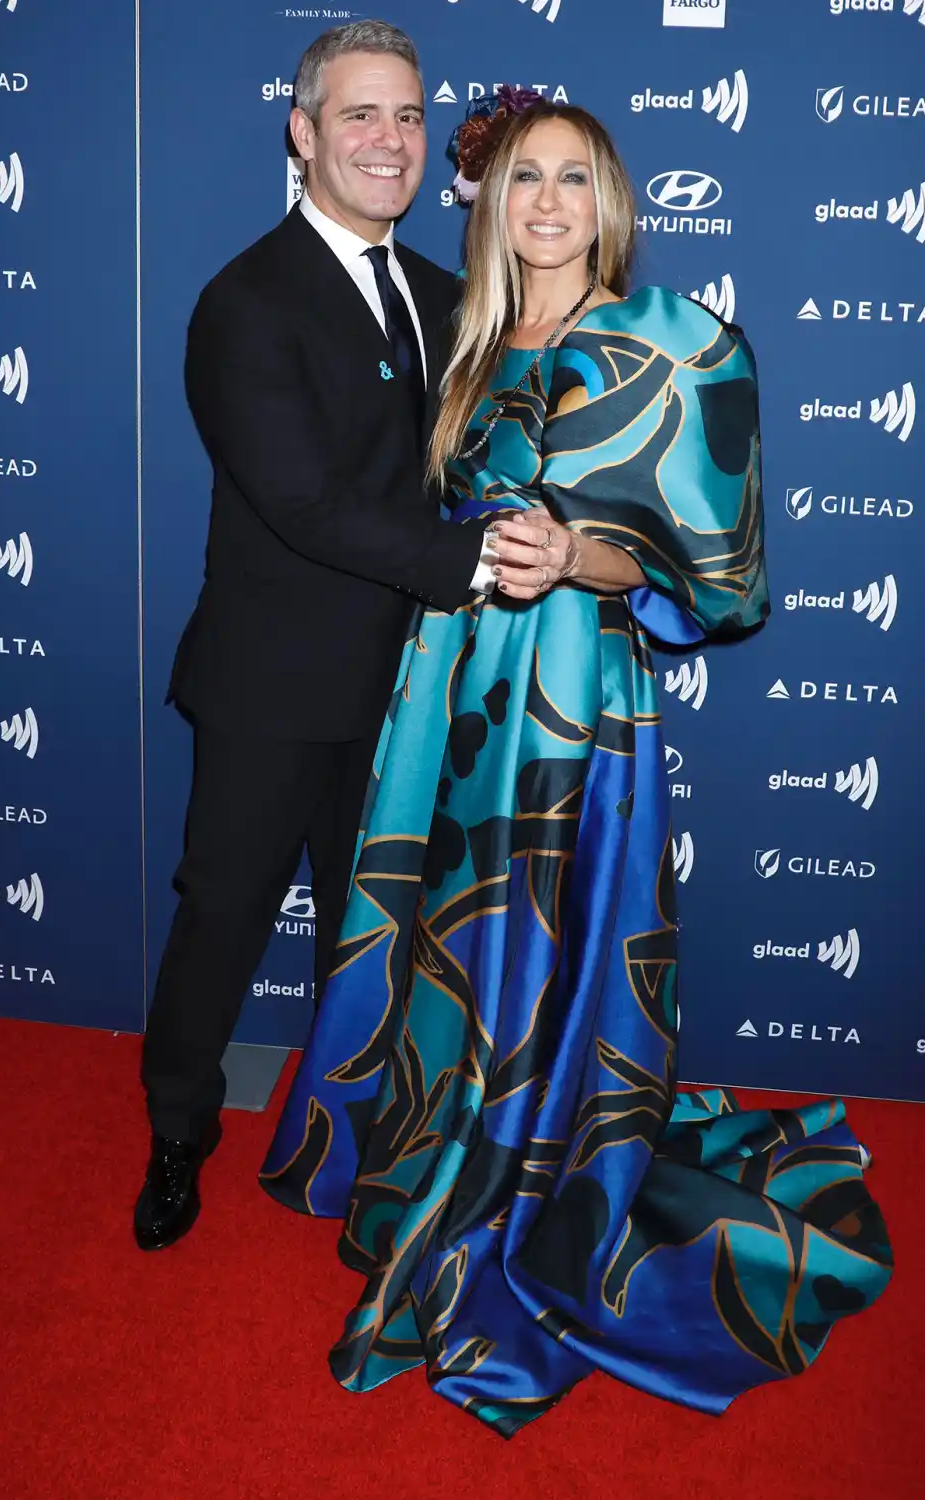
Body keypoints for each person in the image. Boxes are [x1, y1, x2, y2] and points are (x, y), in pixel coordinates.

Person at [260, 93, 893, 1435]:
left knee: (539, 934)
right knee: (447, 929)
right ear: (489, 202)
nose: (546, 202)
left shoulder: (673, 342)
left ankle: (517, 1183)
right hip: (450, 683)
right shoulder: (470, 342)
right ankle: (435, 1137)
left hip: (566, 694)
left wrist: (576, 554)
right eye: (524, 178)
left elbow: (713, 569)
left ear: (609, 203)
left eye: (573, 179)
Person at [134, 25, 545, 1252]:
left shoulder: (438, 293)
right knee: (223, 918)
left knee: (373, 935)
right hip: (271, 687)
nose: (389, 139)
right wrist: (478, 563)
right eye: (360, 114)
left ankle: (358, 1136)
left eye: (408, 115)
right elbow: (305, 502)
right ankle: (179, 1131)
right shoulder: (246, 301)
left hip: (407, 689)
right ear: (303, 132)